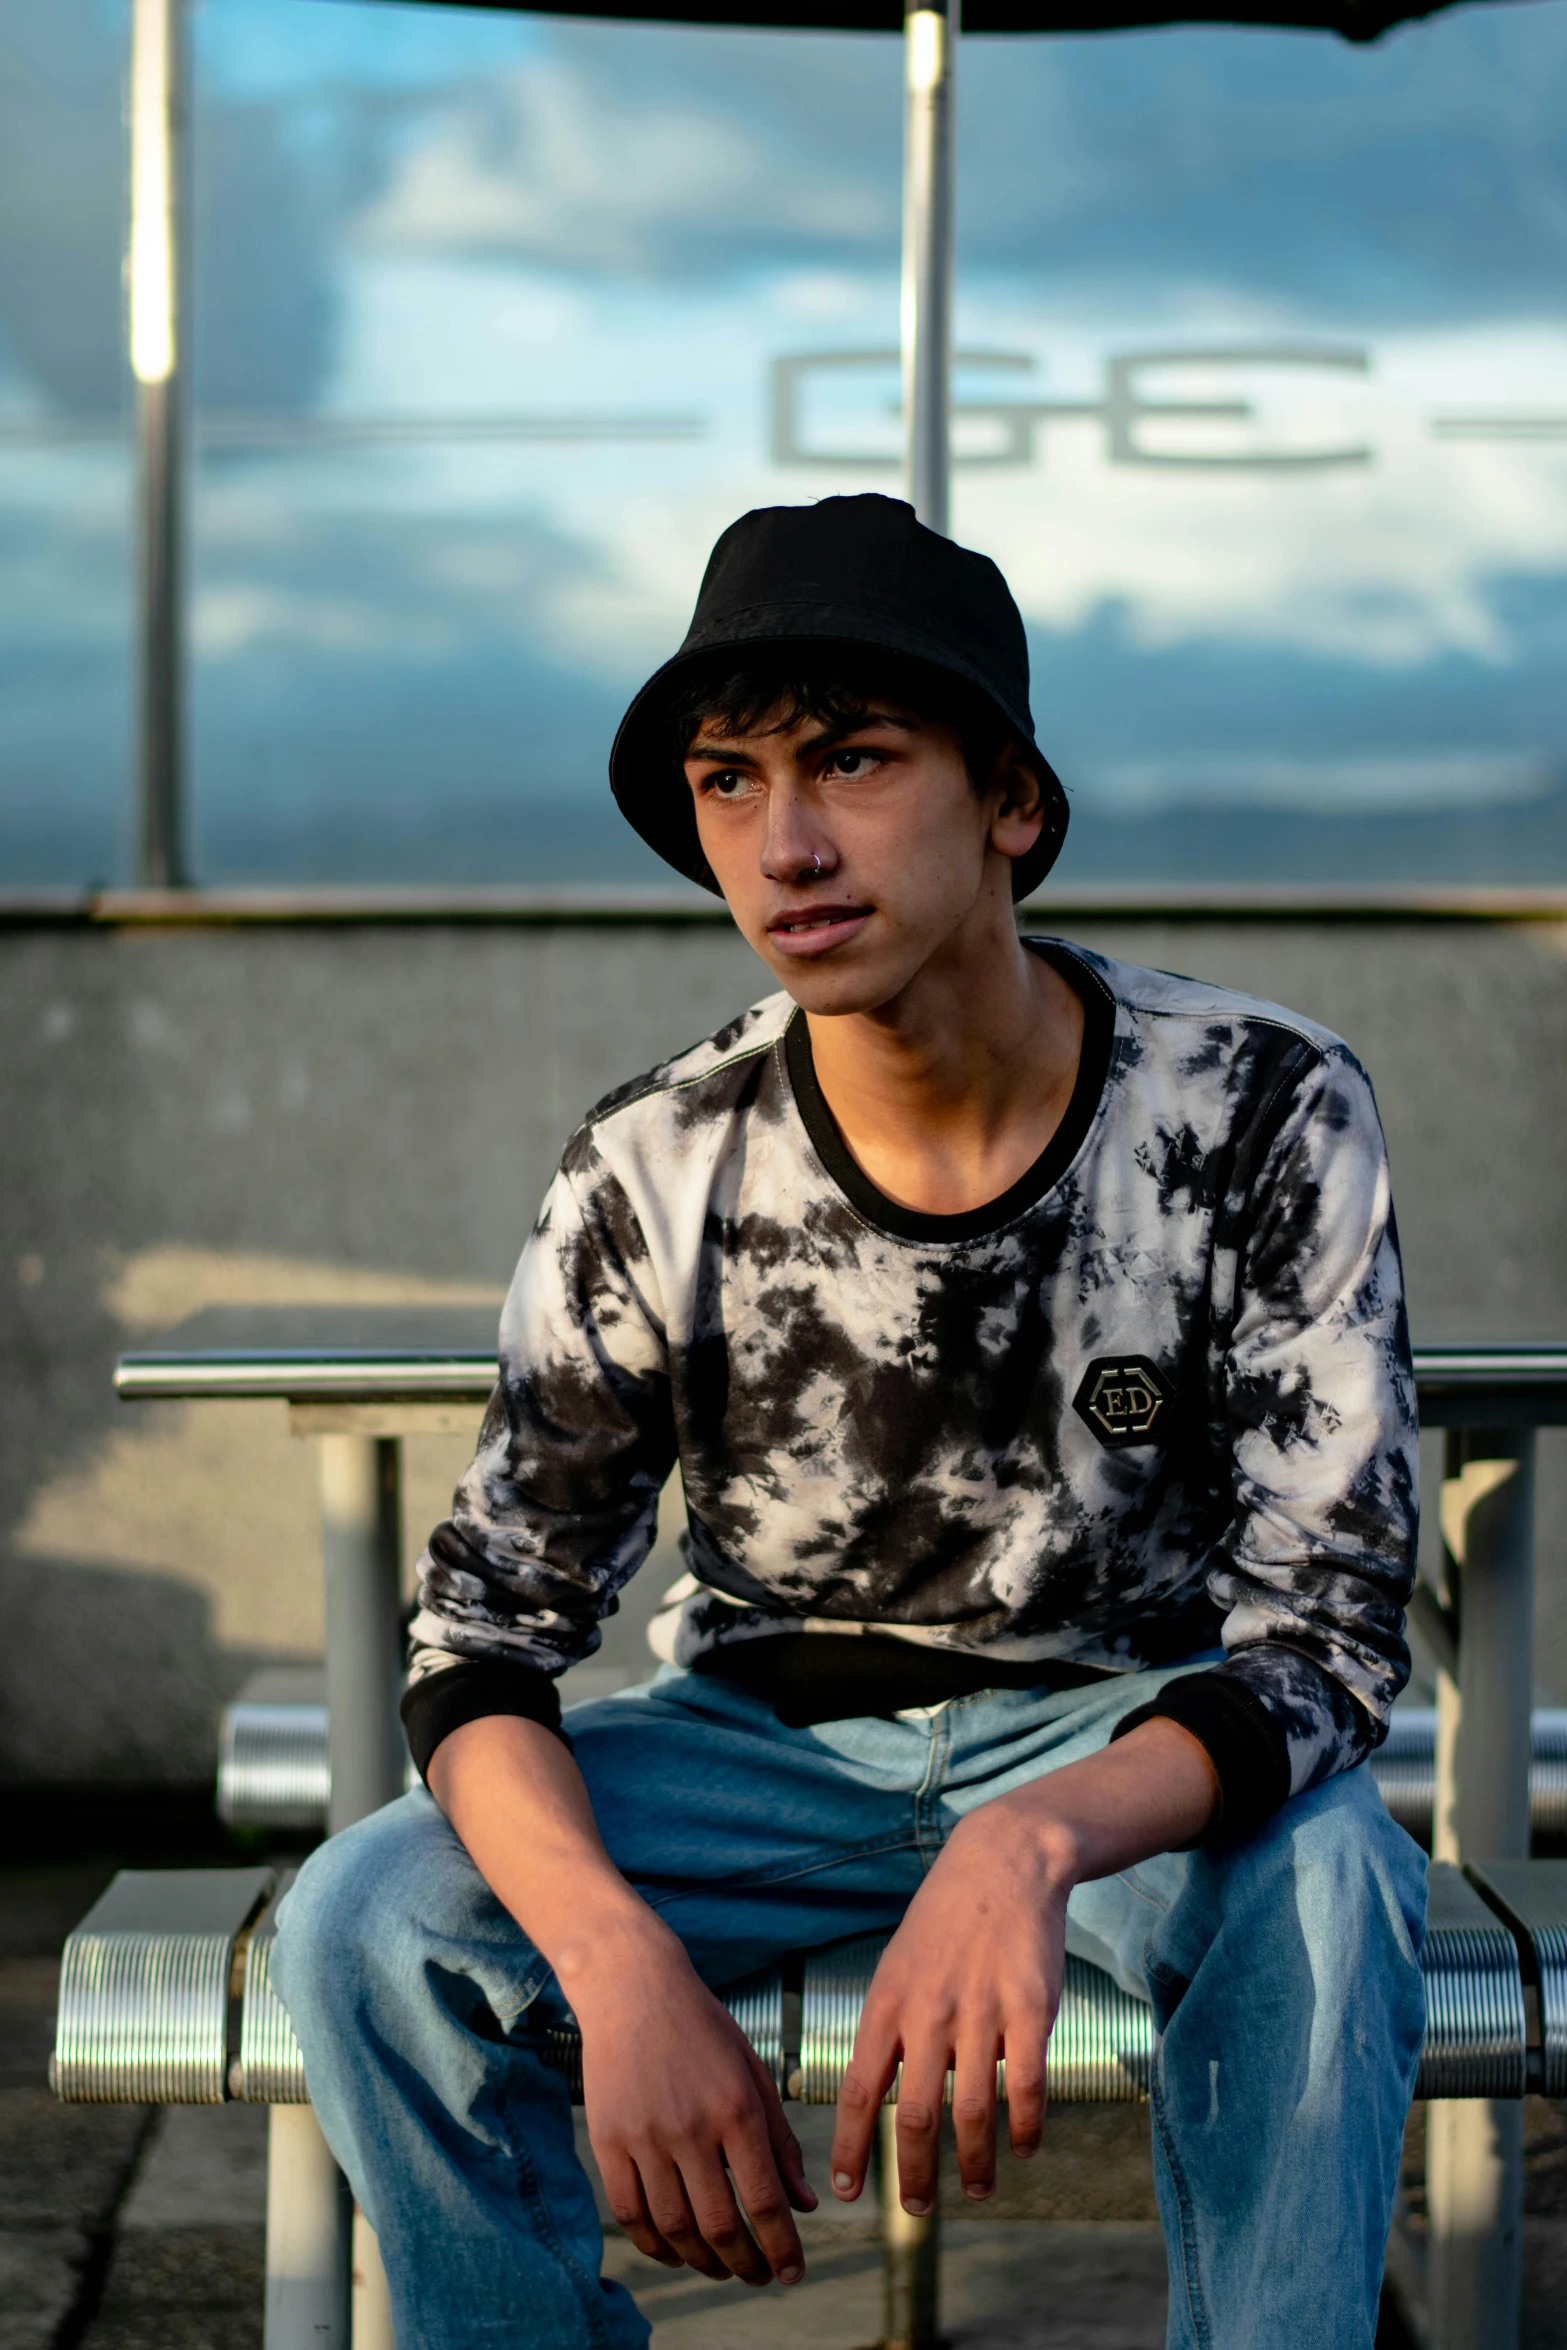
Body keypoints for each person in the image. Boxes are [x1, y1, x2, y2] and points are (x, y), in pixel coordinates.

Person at [274, 493, 1426, 2350]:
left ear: (1011, 804)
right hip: (758, 1740)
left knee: (1329, 1892)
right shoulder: (657, 1160)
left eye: (854, 761)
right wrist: (617, 1959)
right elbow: (484, 1632)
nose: (784, 843)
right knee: (366, 1919)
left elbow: (1326, 1634)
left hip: (1129, 1734)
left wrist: (1029, 1840)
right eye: (728, 782)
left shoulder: (1256, 1109)